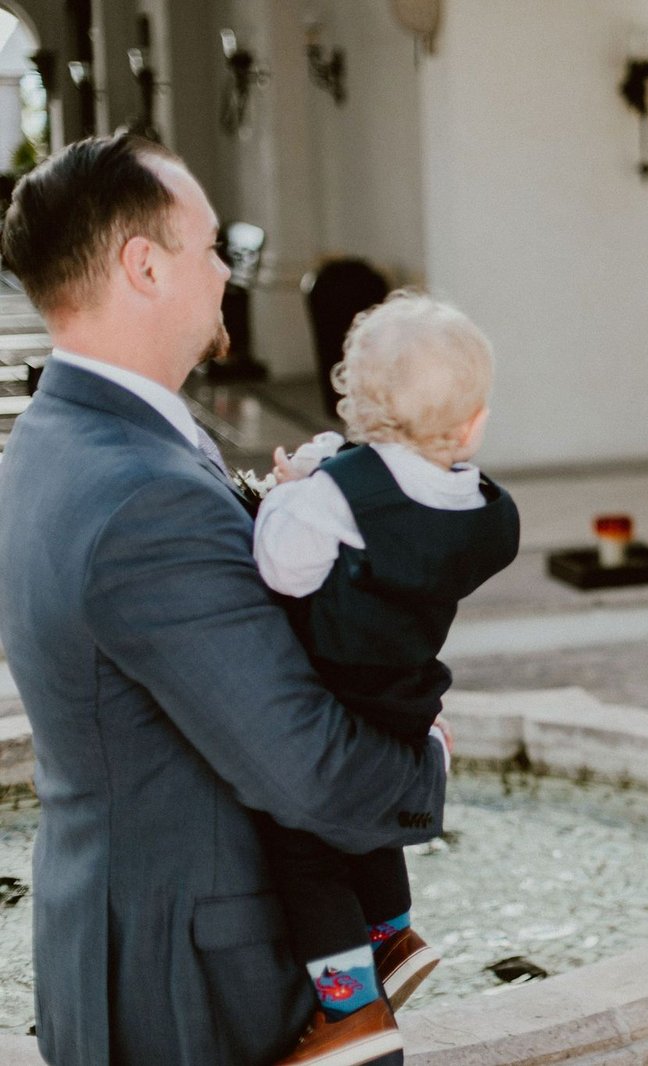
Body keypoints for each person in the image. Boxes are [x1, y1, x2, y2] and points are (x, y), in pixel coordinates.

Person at [0, 133, 447, 1066]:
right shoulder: (139, 491)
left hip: (119, 932)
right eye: (213, 250)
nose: (227, 278)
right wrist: (429, 761)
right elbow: (303, 769)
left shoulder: (59, 439)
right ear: (145, 266)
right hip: (198, 984)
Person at [253, 292, 520, 1064]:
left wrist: (292, 489)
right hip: (405, 699)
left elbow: (281, 563)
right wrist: (334, 468)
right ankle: (391, 932)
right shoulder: (485, 509)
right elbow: (411, 491)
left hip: (329, 698)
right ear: (472, 423)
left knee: (302, 846)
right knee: (365, 822)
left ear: (361, 411)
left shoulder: (336, 498)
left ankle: (350, 1007)